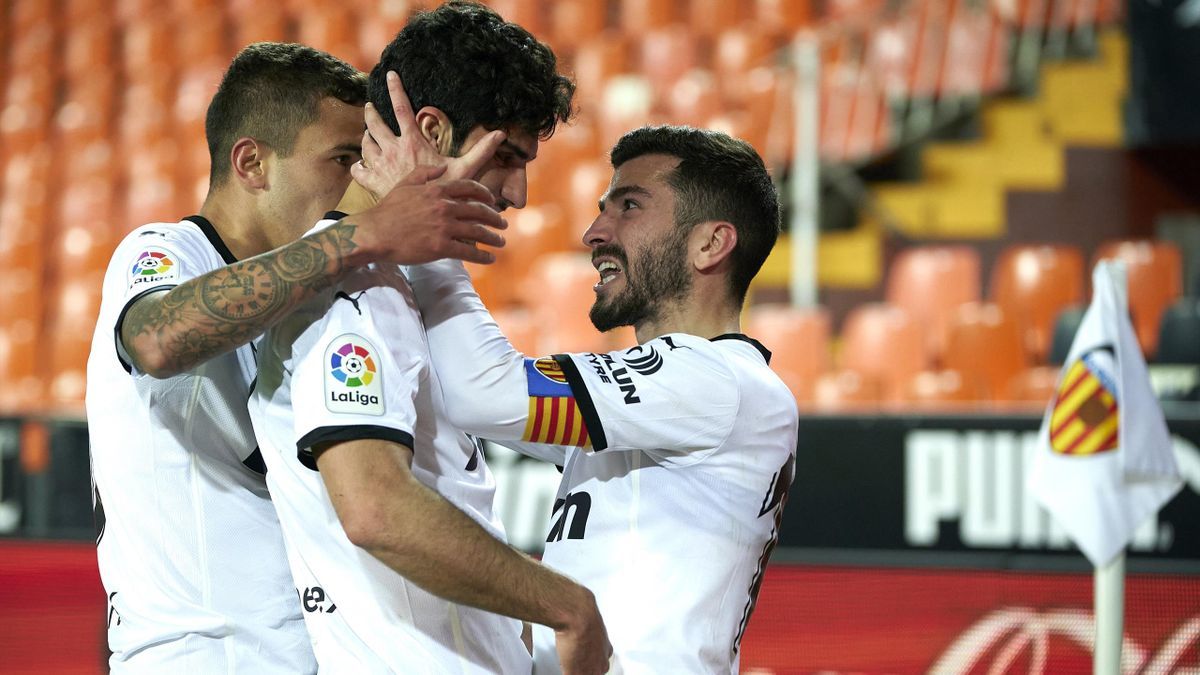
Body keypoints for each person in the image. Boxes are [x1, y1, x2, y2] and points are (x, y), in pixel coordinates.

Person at [86, 41, 507, 673]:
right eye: (341, 158)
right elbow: (155, 338)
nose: (358, 181)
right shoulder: (166, 251)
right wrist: (362, 232)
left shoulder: (327, 295)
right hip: (204, 656)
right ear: (252, 164)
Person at [246, 4, 610, 673]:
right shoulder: (350, 290)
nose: (519, 192)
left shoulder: (391, 275)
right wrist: (567, 606)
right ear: (432, 131)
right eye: (506, 156)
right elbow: (375, 509)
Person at [364, 121, 800, 673]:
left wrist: (429, 231)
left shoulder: (717, 382)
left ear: (710, 244)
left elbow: (485, 392)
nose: (594, 232)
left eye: (630, 206)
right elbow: (468, 399)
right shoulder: (674, 403)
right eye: (602, 209)